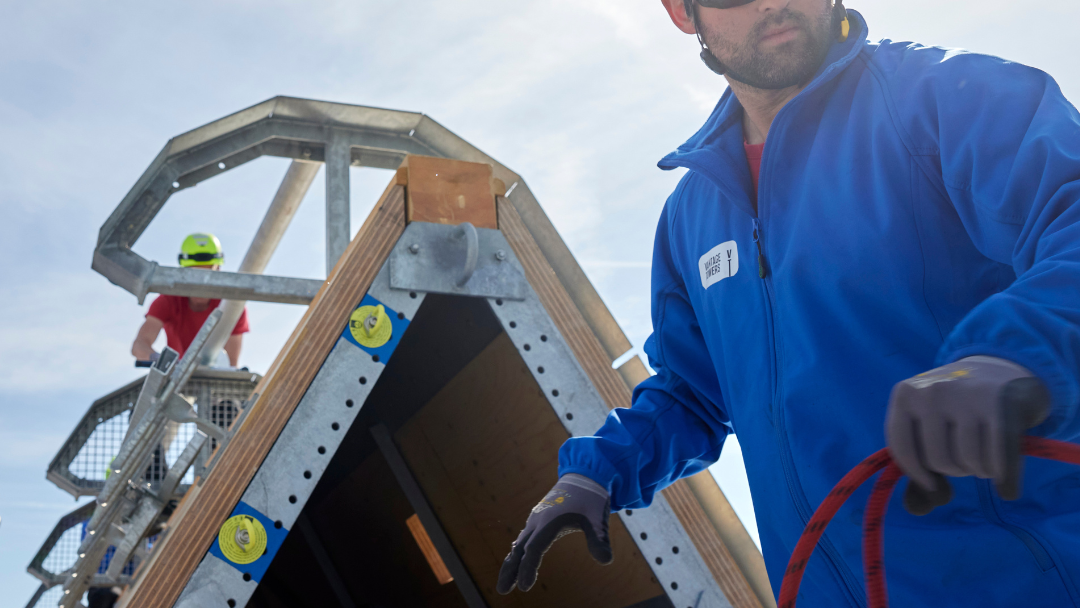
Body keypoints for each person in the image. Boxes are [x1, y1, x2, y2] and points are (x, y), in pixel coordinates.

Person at [497, 1, 1080, 606]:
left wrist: (1013, 355)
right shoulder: (692, 217)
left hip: (1028, 578)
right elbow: (695, 392)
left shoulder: (950, 99)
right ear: (683, 12)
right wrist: (596, 472)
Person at [131, 233, 249, 366]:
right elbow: (139, 345)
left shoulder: (231, 307)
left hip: (212, 380)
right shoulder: (168, 301)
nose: (201, 283)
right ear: (184, 272)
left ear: (218, 270)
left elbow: (231, 364)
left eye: (207, 274)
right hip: (175, 381)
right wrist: (160, 361)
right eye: (195, 274)